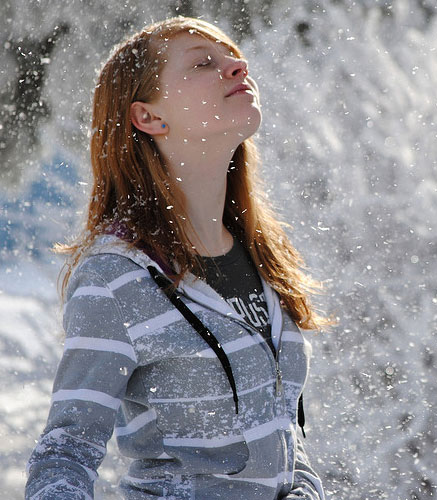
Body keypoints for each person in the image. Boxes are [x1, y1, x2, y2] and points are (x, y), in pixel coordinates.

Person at [25, 16, 330, 500]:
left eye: (232, 56)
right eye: (204, 63)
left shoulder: (265, 264)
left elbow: (285, 440)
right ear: (148, 117)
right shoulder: (116, 276)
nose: (237, 66)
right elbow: (68, 449)